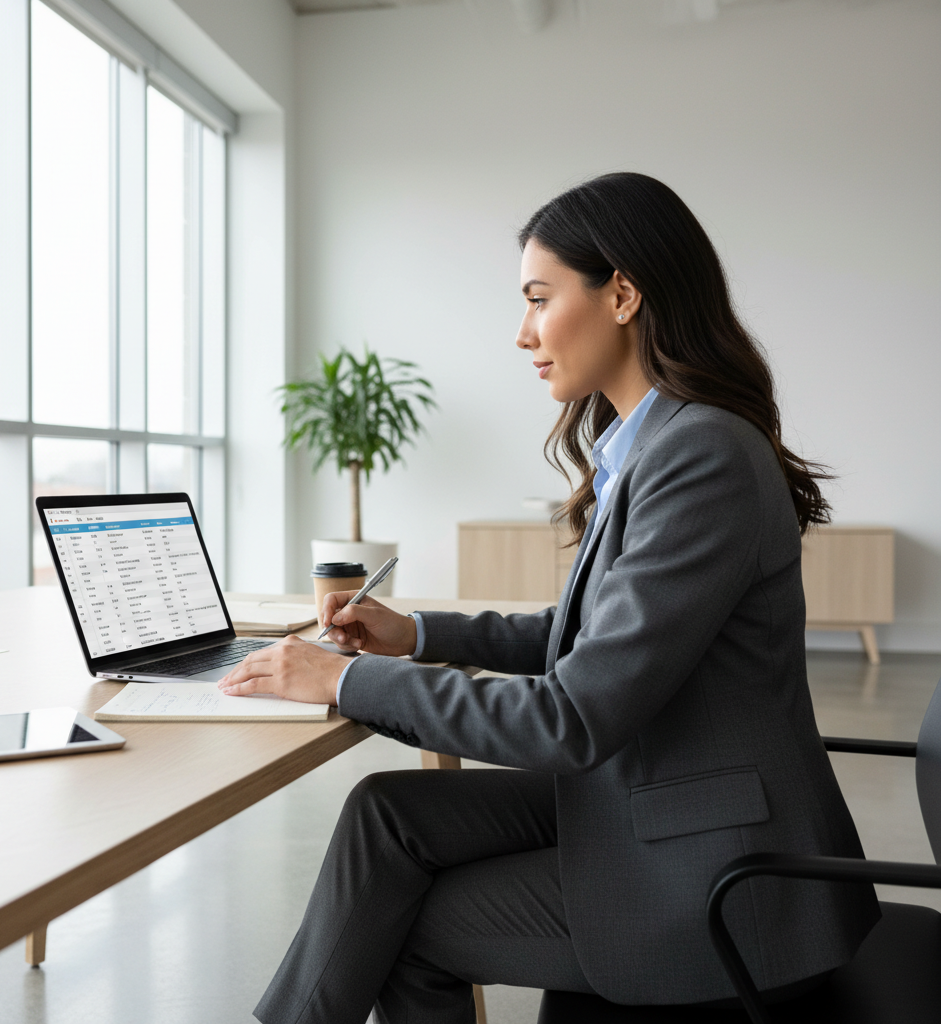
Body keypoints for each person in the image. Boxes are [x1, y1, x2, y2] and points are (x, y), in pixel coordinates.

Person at [218, 172, 880, 1024]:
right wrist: (413, 632)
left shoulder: (701, 455)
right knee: (389, 813)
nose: (524, 331)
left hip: (725, 876)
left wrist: (338, 681)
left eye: (539, 298)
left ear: (623, 295)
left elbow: (572, 717)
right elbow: (585, 642)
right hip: (664, 797)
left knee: (400, 926)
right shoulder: (650, 444)